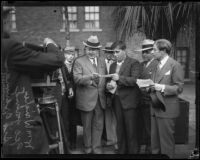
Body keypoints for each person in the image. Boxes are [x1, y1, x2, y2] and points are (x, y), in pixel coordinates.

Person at [1, 7, 65, 154]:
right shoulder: (8, 47)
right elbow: (56, 59)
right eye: (9, 21)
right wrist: (50, 44)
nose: (10, 25)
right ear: (3, 22)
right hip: (20, 135)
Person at [150, 39, 184, 158]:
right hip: (155, 109)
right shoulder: (156, 65)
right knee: (155, 143)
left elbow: (179, 88)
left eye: (154, 50)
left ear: (163, 51)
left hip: (167, 110)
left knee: (166, 145)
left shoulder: (175, 65)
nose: (152, 52)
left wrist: (162, 87)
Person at [73, 35, 106, 154]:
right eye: (89, 49)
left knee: (98, 124)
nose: (92, 52)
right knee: (86, 126)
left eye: (94, 49)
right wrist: (90, 78)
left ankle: (96, 148)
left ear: (98, 50)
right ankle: (87, 147)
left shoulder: (102, 61)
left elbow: (104, 78)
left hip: (100, 99)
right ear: (85, 48)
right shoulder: (79, 61)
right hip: (86, 99)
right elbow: (77, 79)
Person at [106, 41, 141, 154]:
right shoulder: (112, 65)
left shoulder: (134, 63)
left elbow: (135, 81)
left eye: (117, 52)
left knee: (131, 130)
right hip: (116, 100)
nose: (115, 54)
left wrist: (119, 78)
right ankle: (122, 151)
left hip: (130, 101)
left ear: (124, 50)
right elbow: (111, 81)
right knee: (119, 129)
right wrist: (108, 86)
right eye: (113, 52)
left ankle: (133, 152)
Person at [135, 39, 159, 154]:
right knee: (141, 125)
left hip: (151, 101)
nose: (144, 54)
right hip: (139, 101)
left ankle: (151, 148)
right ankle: (144, 145)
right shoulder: (140, 64)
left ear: (153, 52)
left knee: (150, 126)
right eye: (143, 52)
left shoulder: (157, 64)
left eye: (147, 52)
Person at [60, 46, 77, 150]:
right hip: (65, 96)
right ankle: (67, 143)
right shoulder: (61, 66)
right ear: (64, 54)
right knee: (65, 119)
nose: (71, 56)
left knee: (73, 120)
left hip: (75, 97)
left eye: (72, 54)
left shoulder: (75, 65)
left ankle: (74, 142)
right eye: (69, 54)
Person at [102, 42, 118, 149]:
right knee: (106, 117)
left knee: (115, 117)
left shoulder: (116, 63)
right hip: (103, 93)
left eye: (111, 52)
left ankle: (115, 139)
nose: (109, 54)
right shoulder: (100, 62)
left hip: (114, 92)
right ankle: (109, 139)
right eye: (107, 52)